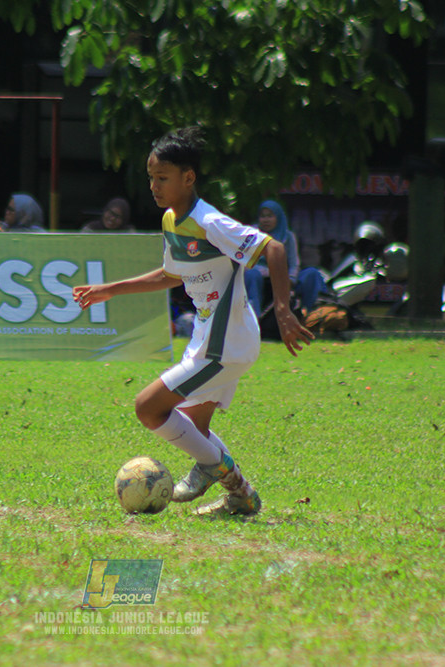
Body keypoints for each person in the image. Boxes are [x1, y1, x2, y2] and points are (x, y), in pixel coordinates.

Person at [73, 126, 313, 516]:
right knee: (192, 430)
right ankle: (241, 496)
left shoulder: (209, 220)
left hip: (226, 342)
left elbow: (276, 248)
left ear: (189, 177)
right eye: (150, 177)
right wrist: (110, 290)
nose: (154, 186)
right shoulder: (172, 220)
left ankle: (215, 467)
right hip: (212, 338)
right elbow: (172, 275)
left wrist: (284, 310)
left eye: (162, 178)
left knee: (148, 409)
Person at [244, 199, 300, 317]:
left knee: (311, 275)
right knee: (253, 275)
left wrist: (290, 279)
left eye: (270, 216)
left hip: (280, 276)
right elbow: (242, 257)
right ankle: (255, 318)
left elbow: (294, 263)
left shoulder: (287, 236)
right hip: (254, 274)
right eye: (262, 216)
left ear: (278, 217)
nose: (266, 220)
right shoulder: (251, 233)